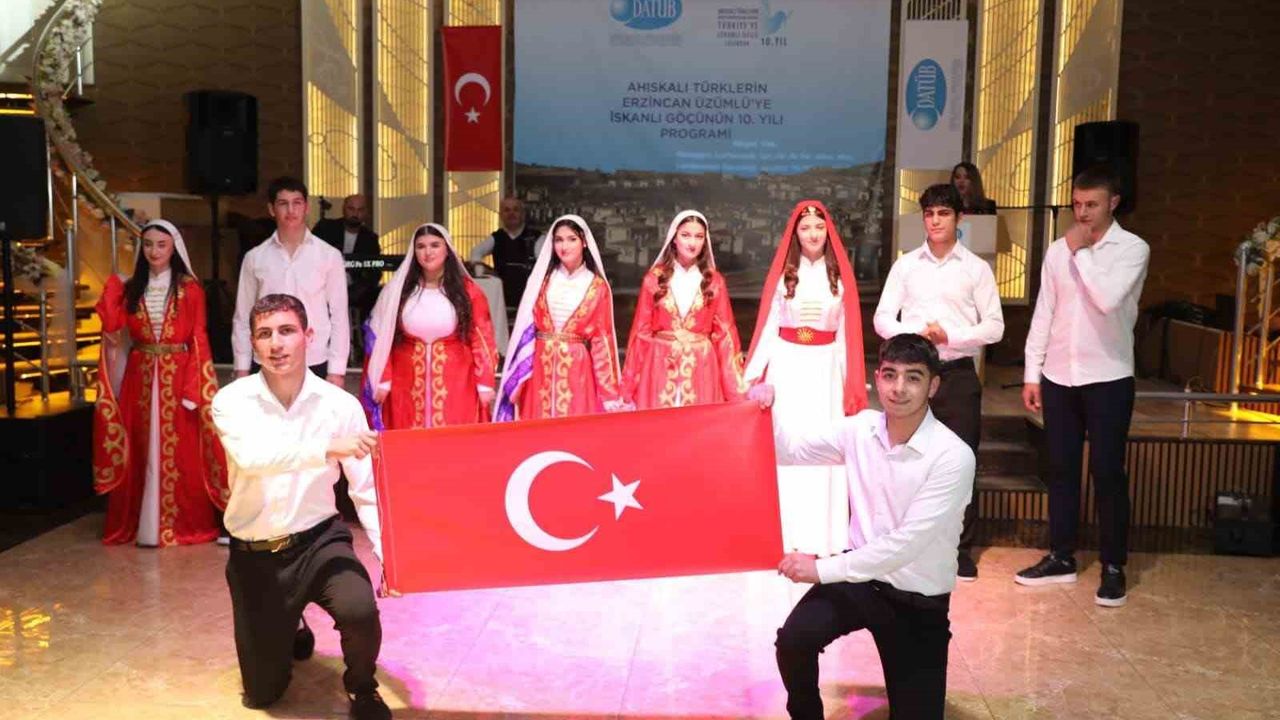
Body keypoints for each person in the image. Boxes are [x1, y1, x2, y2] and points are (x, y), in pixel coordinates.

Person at [748, 334, 975, 720]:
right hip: (860, 581)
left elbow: (904, 546)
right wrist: (765, 409)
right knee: (794, 639)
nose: (899, 388)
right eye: (890, 375)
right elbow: (789, 451)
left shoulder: (952, 456)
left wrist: (819, 569)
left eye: (913, 377)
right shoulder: (860, 430)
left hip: (917, 598)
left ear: (934, 385)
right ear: (877, 379)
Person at [211, 293, 392, 720]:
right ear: (253, 343)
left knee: (360, 610)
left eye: (287, 331)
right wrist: (327, 448)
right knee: (263, 694)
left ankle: (363, 689)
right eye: (265, 334)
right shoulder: (231, 401)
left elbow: (366, 488)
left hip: (319, 541)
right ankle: (292, 622)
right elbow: (254, 458)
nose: (276, 344)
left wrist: (390, 555)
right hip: (256, 554)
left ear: (309, 336)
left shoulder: (340, 405)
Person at [1017, 166, 1149, 608]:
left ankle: (1113, 566)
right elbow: (1044, 312)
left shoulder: (1132, 249)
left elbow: (1106, 299)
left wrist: (1082, 251)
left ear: (1113, 202)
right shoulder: (1058, 251)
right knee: (1060, 468)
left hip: (1108, 376)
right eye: (1077, 204)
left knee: (1108, 472)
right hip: (1059, 375)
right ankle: (1061, 556)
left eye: (1092, 204)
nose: (1083, 213)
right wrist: (1032, 372)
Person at [874, 184, 1004, 581]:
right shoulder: (906, 266)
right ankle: (901, 543)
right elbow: (882, 318)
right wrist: (914, 335)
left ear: (959, 218)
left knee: (961, 461)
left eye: (943, 213)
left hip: (957, 372)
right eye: (929, 214)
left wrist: (950, 336)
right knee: (904, 458)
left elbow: (995, 327)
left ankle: (959, 549)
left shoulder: (976, 268)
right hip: (914, 374)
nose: (935, 221)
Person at [744, 200, 868, 557]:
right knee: (786, 443)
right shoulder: (784, 277)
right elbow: (768, 328)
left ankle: (821, 537)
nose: (812, 234)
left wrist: (850, 386)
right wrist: (752, 378)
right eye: (805, 228)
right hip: (787, 366)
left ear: (828, 232)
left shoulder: (839, 279)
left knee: (823, 445)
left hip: (825, 371)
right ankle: (783, 533)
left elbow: (846, 337)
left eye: (818, 227)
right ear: (795, 234)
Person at [92, 220, 228, 546]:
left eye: (161, 245)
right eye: (148, 244)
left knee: (181, 452)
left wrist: (195, 386)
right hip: (139, 377)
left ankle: (178, 524)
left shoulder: (190, 289)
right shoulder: (131, 288)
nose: (154, 251)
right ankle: (143, 523)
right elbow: (113, 327)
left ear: (173, 248)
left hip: (178, 375)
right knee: (140, 447)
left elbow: (198, 338)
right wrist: (112, 290)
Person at [361, 223, 497, 430]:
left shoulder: (469, 292)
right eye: (421, 246)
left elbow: (483, 339)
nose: (428, 252)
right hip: (404, 383)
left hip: (457, 383)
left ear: (447, 250)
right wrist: (382, 377)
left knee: (452, 440)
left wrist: (485, 382)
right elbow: (380, 337)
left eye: (435, 245)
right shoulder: (397, 291)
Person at [494, 214, 623, 421]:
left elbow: (602, 340)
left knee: (574, 425)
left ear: (584, 242)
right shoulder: (541, 281)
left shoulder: (597, 287)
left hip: (577, 367)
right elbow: (526, 328)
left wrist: (609, 393)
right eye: (559, 240)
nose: (564, 246)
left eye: (572, 239)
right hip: (540, 363)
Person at [621, 210, 746, 409]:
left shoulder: (714, 282)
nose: (692, 243)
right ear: (674, 238)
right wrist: (628, 388)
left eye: (699, 236)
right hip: (660, 362)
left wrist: (737, 391)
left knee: (697, 424)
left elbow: (725, 336)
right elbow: (641, 333)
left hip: (701, 366)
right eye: (685, 235)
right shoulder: (654, 279)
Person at [232, 177, 350, 386]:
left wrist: (337, 370)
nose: (291, 210)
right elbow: (243, 316)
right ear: (271, 209)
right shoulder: (255, 257)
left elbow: (339, 315)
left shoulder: (328, 255)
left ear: (306, 207)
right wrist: (242, 366)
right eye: (283, 203)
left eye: (297, 203)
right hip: (268, 356)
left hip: (314, 358)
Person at [313, 194, 382, 363]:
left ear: (365, 213)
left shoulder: (370, 238)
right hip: (324, 287)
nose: (355, 214)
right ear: (344, 209)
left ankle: (364, 351)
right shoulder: (326, 228)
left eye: (360, 210)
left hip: (356, 291)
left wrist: (359, 287)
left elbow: (375, 271)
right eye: (351, 209)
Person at [469, 196, 543, 311]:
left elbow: (544, 265)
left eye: (515, 209)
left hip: (530, 303)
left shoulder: (537, 238)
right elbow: (476, 252)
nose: (511, 214)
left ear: (523, 214)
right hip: (502, 302)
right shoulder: (496, 237)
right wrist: (483, 270)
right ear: (501, 215)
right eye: (507, 210)